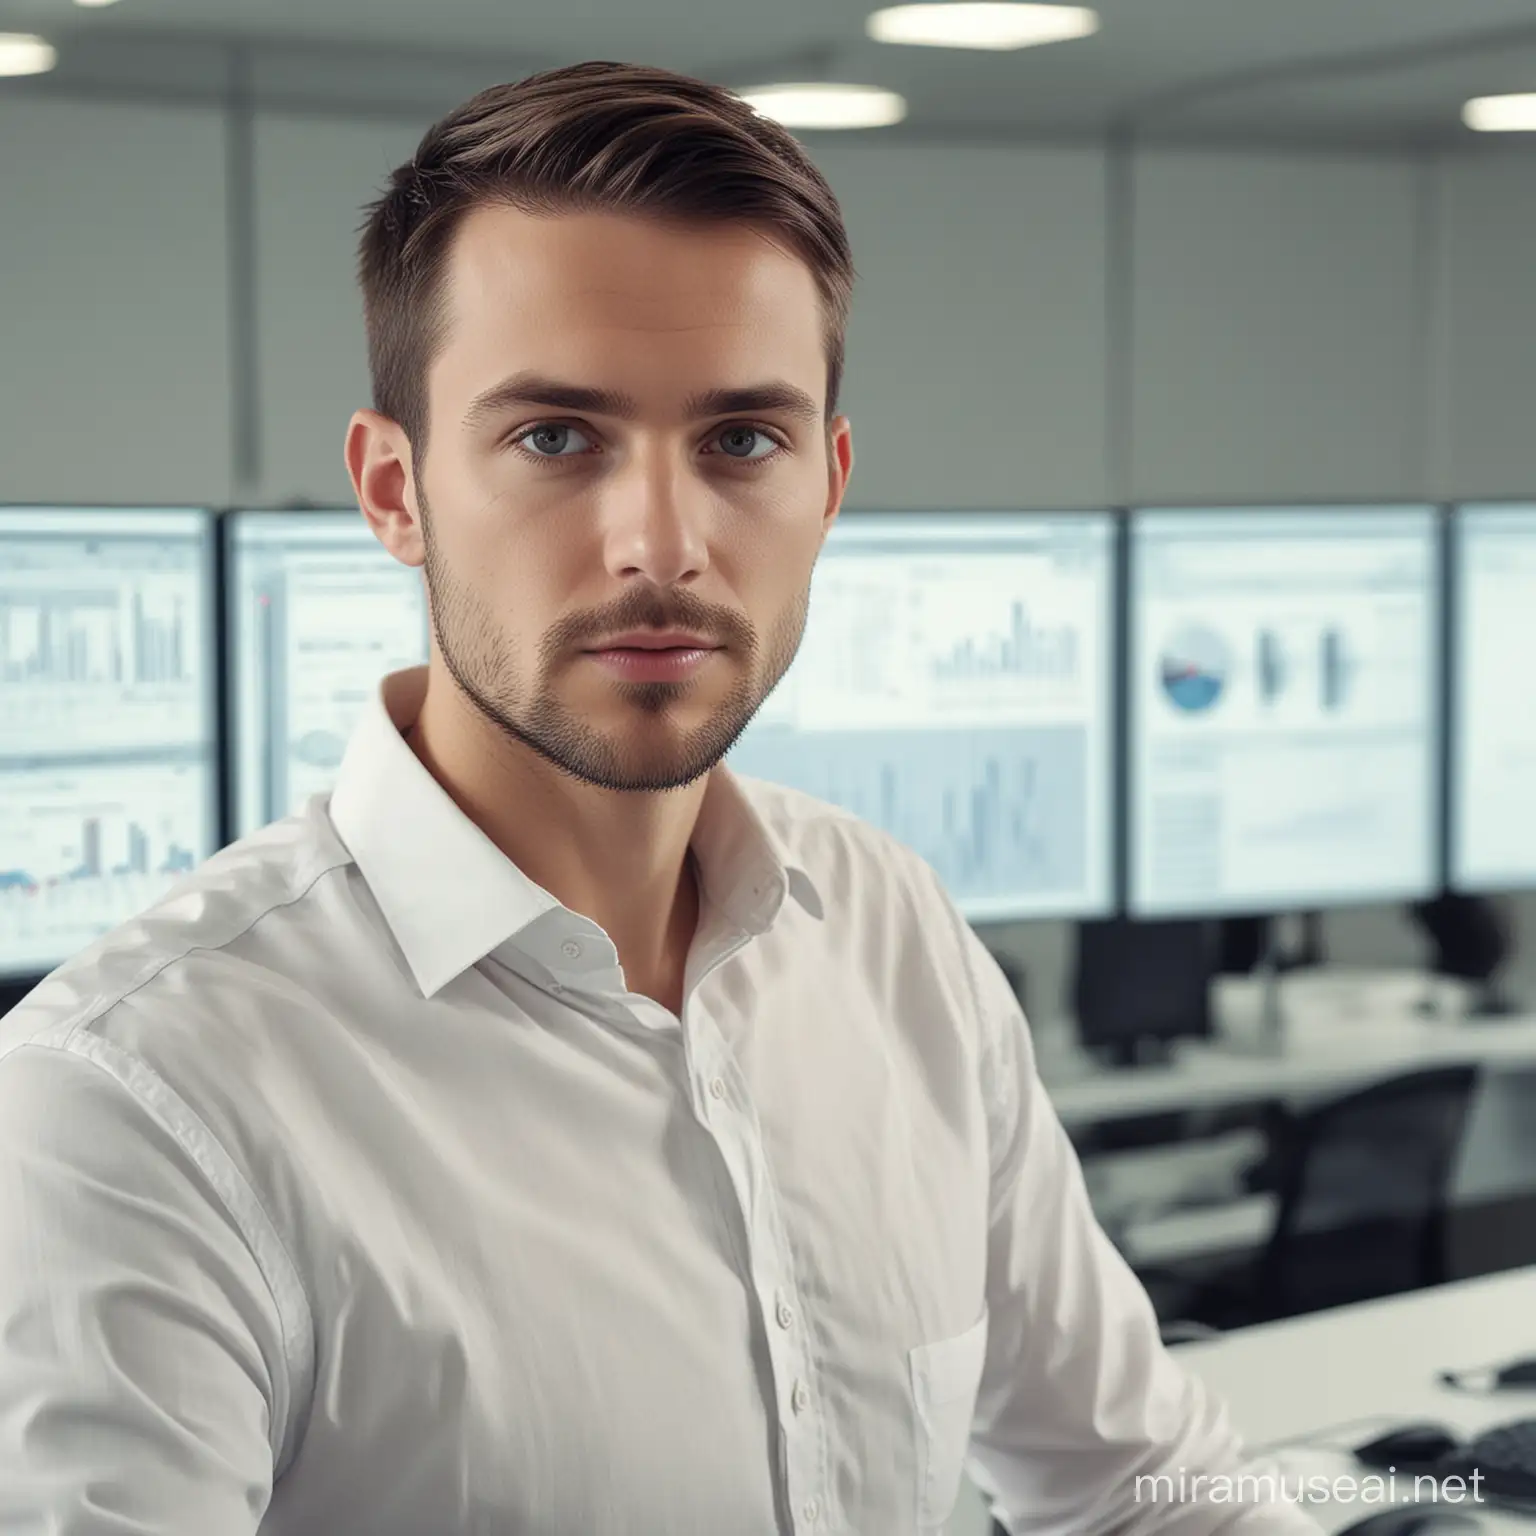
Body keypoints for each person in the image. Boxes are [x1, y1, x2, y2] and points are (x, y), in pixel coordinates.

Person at [0, 61, 1319, 1536]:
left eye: (741, 441)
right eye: (555, 437)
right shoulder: (132, 1102)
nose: (662, 543)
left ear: (827, 485)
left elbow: (1145, 1490)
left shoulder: (889, 931)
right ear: (394, 493)